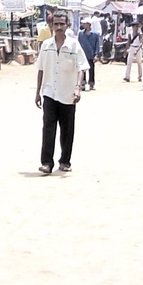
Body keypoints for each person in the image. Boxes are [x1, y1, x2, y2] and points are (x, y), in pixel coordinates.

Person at [35, 11, 87, 174]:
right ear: (51, 26)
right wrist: (38, 92)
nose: (58, 27)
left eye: (61, 24)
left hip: (67, 93)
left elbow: (82, 67)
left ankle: (65, 161)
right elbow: (41, 69)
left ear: (67, 26)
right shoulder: (46, 46)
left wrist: (78, 87)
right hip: (49, 92)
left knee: (67, 129)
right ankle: (46, 163)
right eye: (55, 24)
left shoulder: (74, 45)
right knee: (48, 128)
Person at [78, 18, 101, 90]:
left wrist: (96, 54)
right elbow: (78, 44)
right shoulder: (81, 34)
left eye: (85, 24)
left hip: (91, 54)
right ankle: (83, 83)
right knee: (83, 70)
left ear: (89, 24)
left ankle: (91, 84)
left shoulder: (95, 35)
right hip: (83, 54)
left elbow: (97, 45)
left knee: (91, 70)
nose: (83, 25)